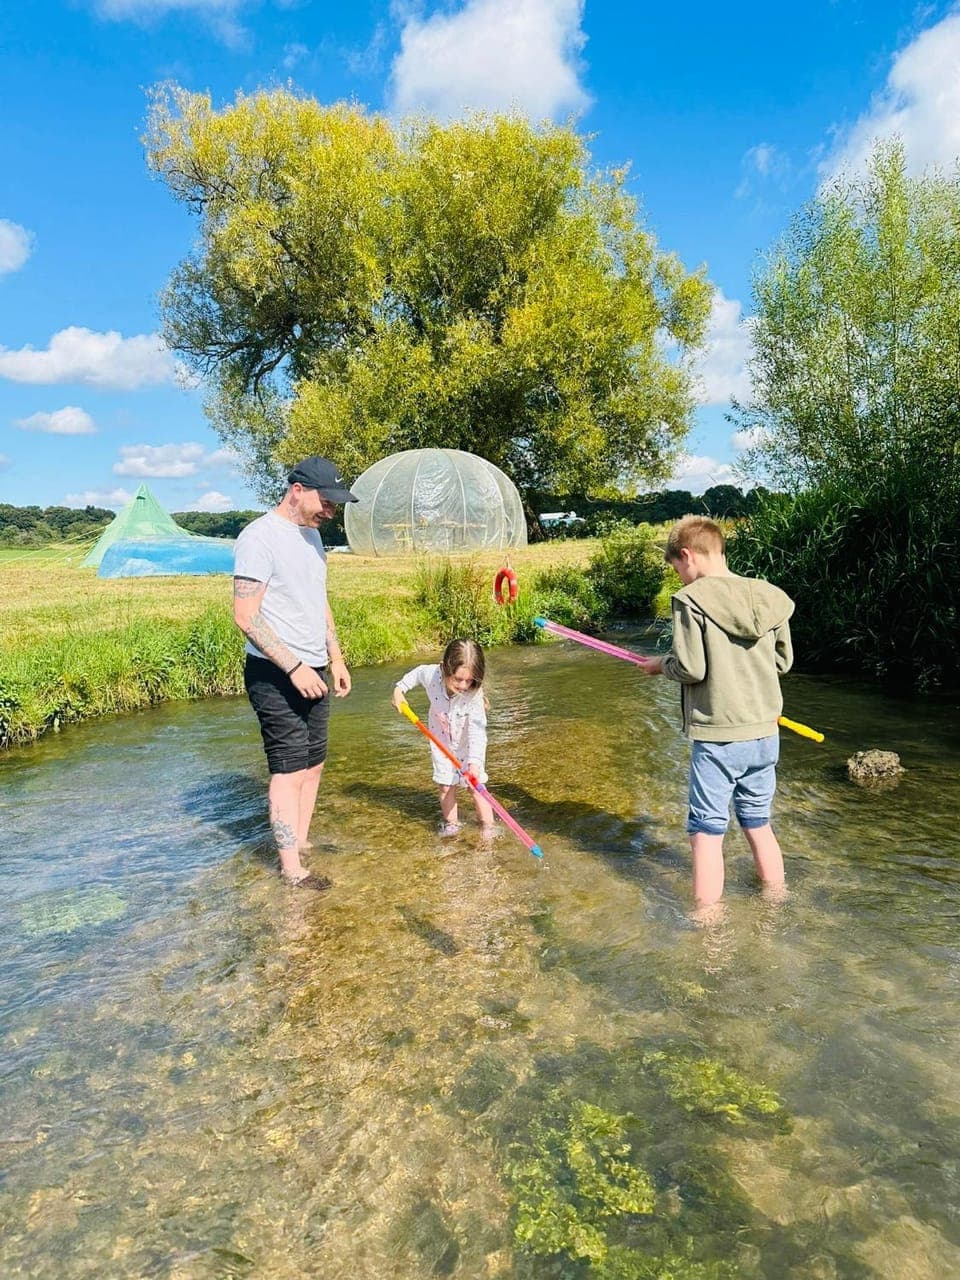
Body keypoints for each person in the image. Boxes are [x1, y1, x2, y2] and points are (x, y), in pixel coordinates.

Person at [636, 516, 794, 914]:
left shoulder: (691, 601)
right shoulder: (769, 596)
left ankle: (708, 923)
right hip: (764, 734)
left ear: (686, 555)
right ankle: (775, 901)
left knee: (706, 831)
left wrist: (661, 665)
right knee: (757, 821)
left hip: (720, 736)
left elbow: (691, 669)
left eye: (677, 569)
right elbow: (783, 661)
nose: (681, 579)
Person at [233, 456, 358, 889]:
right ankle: (292, 872)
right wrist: (295, 666)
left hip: (316, 666)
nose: (331, 511)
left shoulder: (312, 538)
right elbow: (246, 616)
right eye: (326, 501)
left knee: (313, 764)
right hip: (275, 673)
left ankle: (301, 842)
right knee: (287, 771)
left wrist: (335, 657)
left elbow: (316, 599)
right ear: (297, 490)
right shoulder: (259, 538)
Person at [392, 638, 495, 838]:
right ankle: (452, 825)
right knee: (446, 786)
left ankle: (488, 829)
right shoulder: (431, 674)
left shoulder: (473, 695)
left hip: (467, 746)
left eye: (470, 680)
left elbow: (477, 732)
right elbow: (414, 676)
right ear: (444, 669)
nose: (464, 685)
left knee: (476, 788)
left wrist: (474, 762)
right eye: (458, 679)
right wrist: (398, 691)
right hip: (441, 742)